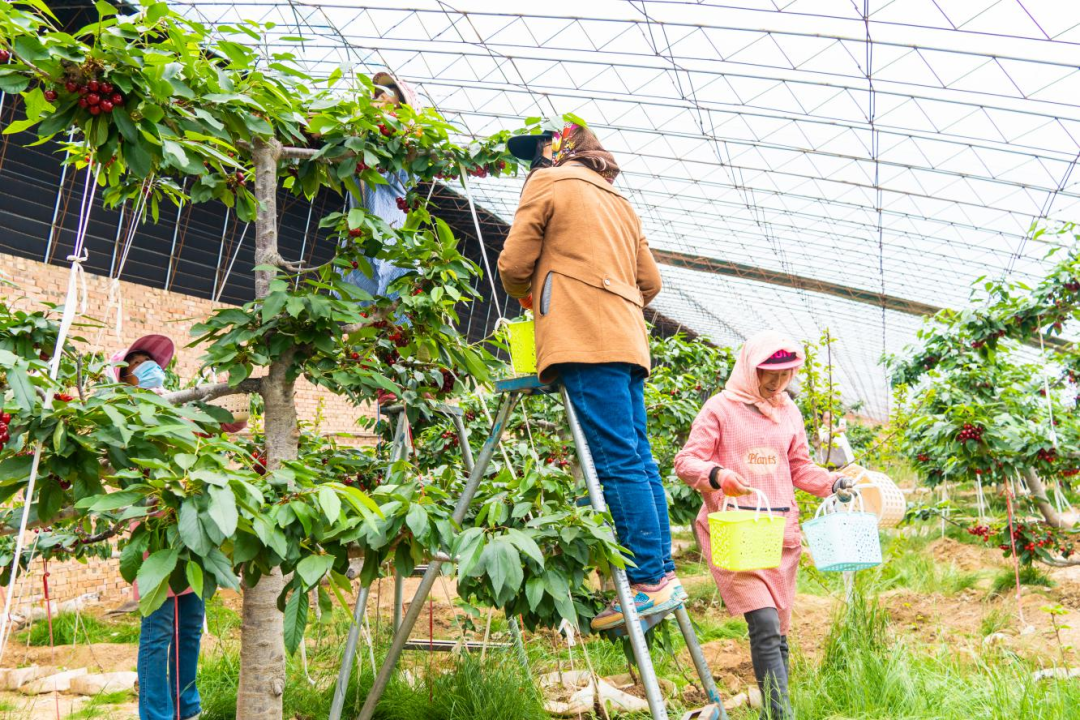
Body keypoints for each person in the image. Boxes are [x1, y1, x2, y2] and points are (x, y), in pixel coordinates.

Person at [497, 121, 681, 631]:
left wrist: (538, 297)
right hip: (627, 341)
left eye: (537, 152)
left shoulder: (547, 183)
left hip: (583, 337)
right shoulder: (619, 202)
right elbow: (651, 282)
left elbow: (513, 264)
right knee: (638, 457)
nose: (532, 163)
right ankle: (662, 572)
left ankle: (646, 583)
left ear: (557, 152)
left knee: (616, 461)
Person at [673, 331, 856, 720]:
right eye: (767, 375)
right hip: (737, 532)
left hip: (780, 532)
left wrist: (832, 482)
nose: (775, 384)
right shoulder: (720, 409)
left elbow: (799, 466)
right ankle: (782, 714)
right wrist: (719, 475)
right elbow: (686, 462)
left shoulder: (788, 410)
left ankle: (774, 711)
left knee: (779, 627)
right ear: (749, 368)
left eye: (784, 376)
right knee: (766, 622)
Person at [111, 334, 244, 720]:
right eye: (134, 365)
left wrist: (233, 397)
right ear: (123, 378)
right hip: (155, 539)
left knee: (188, 630)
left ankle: (188, 709)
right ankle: (155, 715)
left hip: (194, 535)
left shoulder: (178, 410)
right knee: (157, 634)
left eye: (146, 362)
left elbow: (223, 426)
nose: (144, 368)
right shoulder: (123, 418)